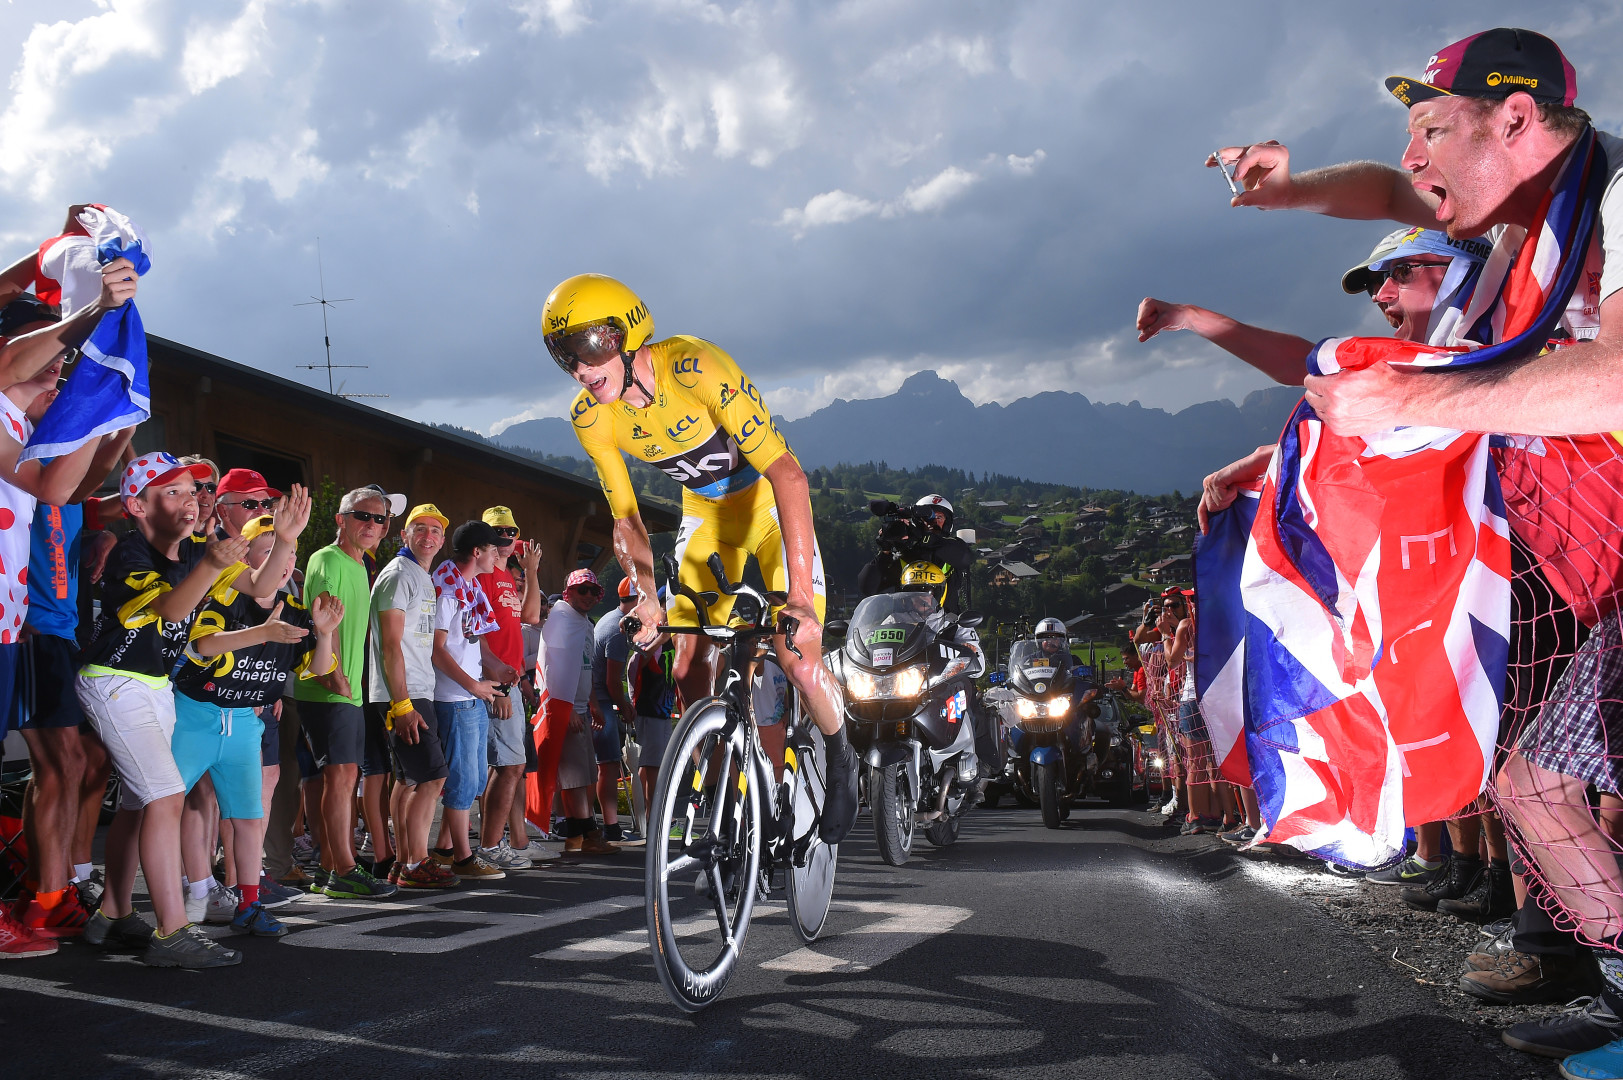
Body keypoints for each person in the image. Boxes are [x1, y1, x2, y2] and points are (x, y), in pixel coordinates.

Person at [1213, 28, 1623, 1070]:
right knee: (1533, 786)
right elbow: (1386, 196)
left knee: (1556, 780)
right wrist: (1293, 188)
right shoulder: (1509, 221)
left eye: (1433, 129)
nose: (1414, 161)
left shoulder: (1618, 202)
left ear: (1519, 121)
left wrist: (1420, 391)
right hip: (1599, 569)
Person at [543, 273, 857, 844]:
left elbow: (788, 474)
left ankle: (842, 754)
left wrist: (802, 602)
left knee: (798, 657)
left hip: (767, 509)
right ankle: (726, 772)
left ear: (627, 333)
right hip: (706, 518)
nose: (581, 369)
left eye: (590, 347)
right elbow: (627, 520)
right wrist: (644, 596)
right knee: (687, 667)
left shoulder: (695, 366)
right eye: (565, 355)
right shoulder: (591, 417)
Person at [77, 456, 304, 968]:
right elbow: (174, 610)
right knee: (164, 794)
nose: (192, 498)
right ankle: (172, 931)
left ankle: (111, 914)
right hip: (115, 682)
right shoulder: (131, 555)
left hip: (152, 684)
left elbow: (261, 588)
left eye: (195, 488)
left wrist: (286, 538)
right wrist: (212, 564)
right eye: (175, 492)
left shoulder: (198, 551)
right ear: (136, 506)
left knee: (141, 802)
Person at [174, 514, 342, 938]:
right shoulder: (225, 594)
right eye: (270, 552)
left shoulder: (299, 610)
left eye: (287, 553)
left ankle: (248, 902)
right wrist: (260, 632)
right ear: (246, 557)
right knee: (171, 806)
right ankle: (186, 894)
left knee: (249, 817)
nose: (283, 563)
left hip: (246, 722)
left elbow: (319, 671)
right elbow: (201, 646)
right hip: (195, 715)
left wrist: (324, 635)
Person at [292, 487, 398, 899]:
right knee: (340, 779)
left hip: (348, 692)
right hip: (328, 688)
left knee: (343, 779)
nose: (373, 525)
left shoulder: (360, 564)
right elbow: (323, 617)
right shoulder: (327, 558)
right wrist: (335, 677)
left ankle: (330, 867)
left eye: (380, 519)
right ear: (342, 519)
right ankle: (346, 871)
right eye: (363, 516)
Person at [368, 504, 455, 889]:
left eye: (436, 530)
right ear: (404, 535)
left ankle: (404, 863)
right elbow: (390, 644)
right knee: (434, 777)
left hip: (416, 689)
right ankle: (417, 864)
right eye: (419, 528)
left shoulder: (420, 575)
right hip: (403, 694)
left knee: (408, 781)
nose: (429, 536)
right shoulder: (398, 575)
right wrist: (402, 704)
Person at [427, 520, 507, 881]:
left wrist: (494, 669)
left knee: (473, 782)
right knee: (462, 782)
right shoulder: (447, 591)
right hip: (455, 697)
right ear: (477, 552)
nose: (497, 555)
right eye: (493, 549)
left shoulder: (466, 584)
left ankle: (445, 849)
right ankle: (463, 856)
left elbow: (468, 643)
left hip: (468, 694)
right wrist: (474, 686)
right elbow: (437, 650)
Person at [474, 506, 546, 868]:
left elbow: (529, 617)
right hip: (494, 682)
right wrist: (497, 686)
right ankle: (489, 845)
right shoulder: (483, 574)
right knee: (509, 767)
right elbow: (477, 634)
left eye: (511, 531)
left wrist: (531, 571)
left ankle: (504, 843)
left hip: (510, 681)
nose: (505, 537)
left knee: (508, 767)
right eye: (497, 531)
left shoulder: (504, 576)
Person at [539, 569, 616, 854]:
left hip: (581, 706)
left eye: (593, 592)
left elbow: (585, 667)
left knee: (584, 775)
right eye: (581, 590)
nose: (588, 596)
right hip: (565, 708)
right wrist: (566, 708)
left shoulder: (585, 623)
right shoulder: (560, 617)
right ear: (568, 591)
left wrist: (593, 703)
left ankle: (576, 836)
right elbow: (551, 665)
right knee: (575, 776)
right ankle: (589, 835)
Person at [858, 494, 976, 613]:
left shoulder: (953, 548)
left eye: (939, 517)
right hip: (907, 626)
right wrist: (885, 551)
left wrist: (923, 538)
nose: (933, 521)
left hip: (948, 626)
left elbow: (965, 557)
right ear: (918, 521)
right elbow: (867, 588)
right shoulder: (904, 554)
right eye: (928, 518)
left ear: (947, 522)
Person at [591, 576, 637, 843]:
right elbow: (612, 681)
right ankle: (610, 828)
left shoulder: (610, 617)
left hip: (597, 695)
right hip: (600, 698)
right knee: (607, 765)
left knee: (602, 765)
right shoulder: (620, 631)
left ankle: (601, 825)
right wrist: (626, 705)